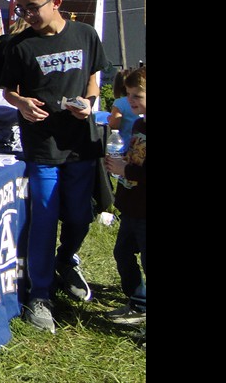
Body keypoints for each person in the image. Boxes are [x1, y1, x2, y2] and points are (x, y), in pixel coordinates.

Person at [0, 0, 110, 334]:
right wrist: (21, 103)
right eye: (22, 9)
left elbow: (94, 75)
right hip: (42, 143)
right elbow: (8, 91)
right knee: (44, 219)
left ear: (55, 3)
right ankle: (40, 295)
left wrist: (90, 104)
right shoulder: (20, 46)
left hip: (80, 142)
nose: (26, 15)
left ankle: (66, 261)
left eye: (32, 8)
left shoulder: (85, 35)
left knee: (80, 215)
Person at [103, 66, 146, 327]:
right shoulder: (140, 123)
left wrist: (125, 168)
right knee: (122, 252)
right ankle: (138, 302)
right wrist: (123, 162)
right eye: (129, 95)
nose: (130, 101)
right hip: (132, 205)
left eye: (137, 96)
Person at [106, 69, 141, 142]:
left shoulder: (120, 103)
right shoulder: (140, 100)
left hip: (124, 143)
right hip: (139, 142)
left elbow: (114, 125)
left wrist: (110, 119)